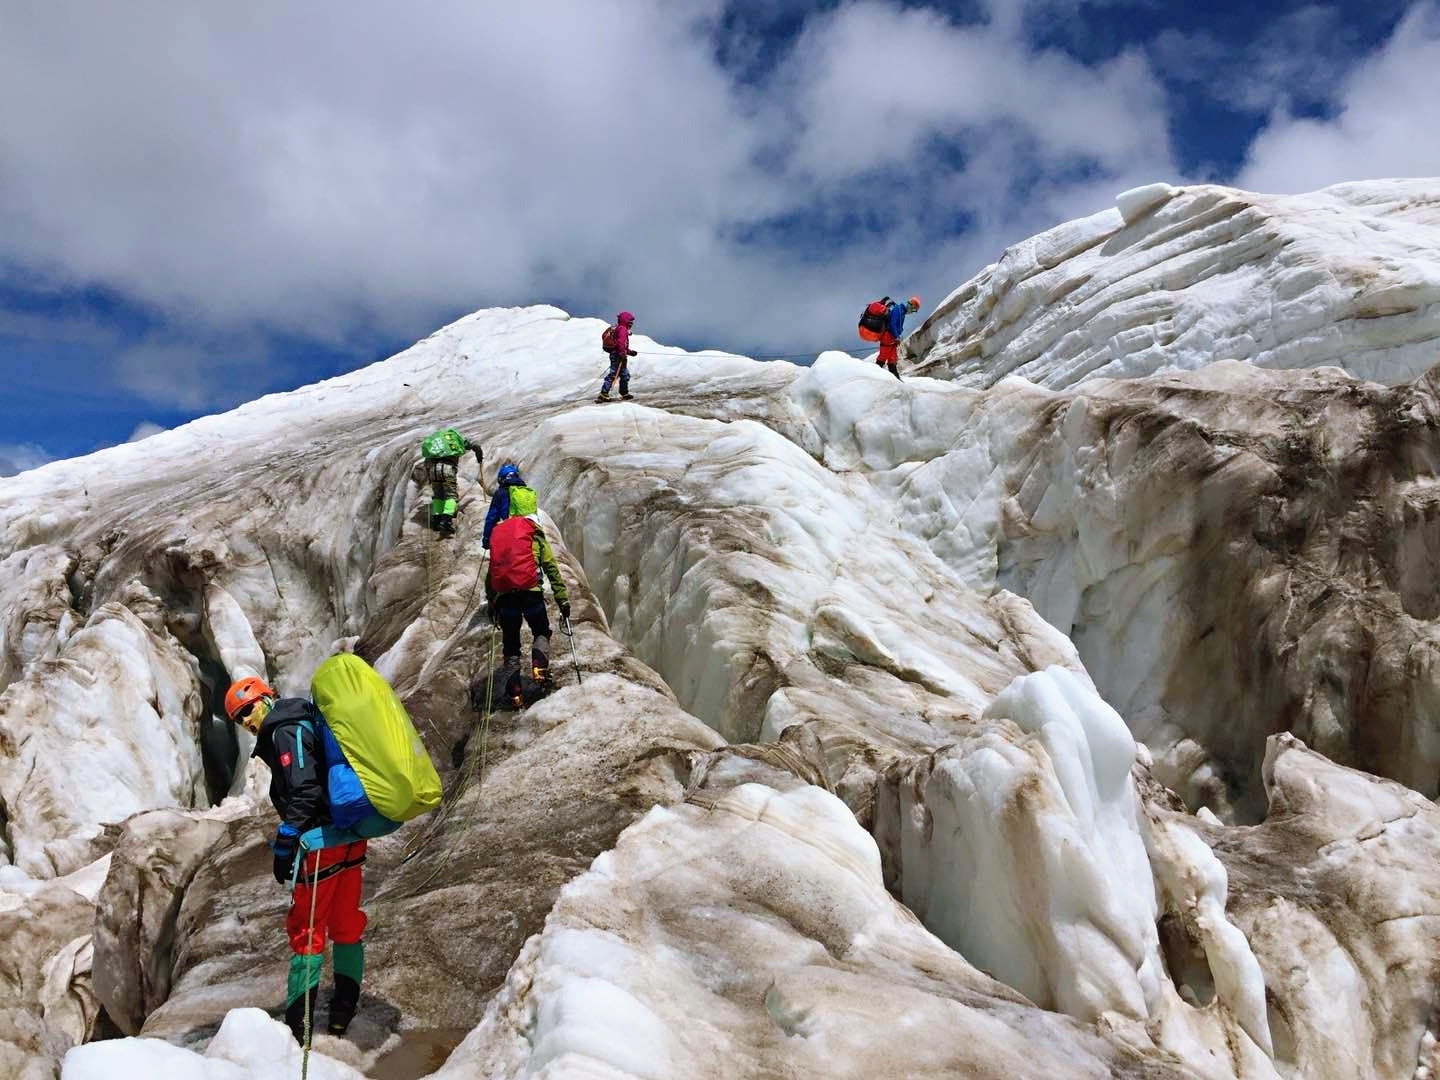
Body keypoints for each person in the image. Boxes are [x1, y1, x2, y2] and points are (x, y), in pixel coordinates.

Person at [223, 675, 367, 1044]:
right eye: (239, 718)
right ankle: (343, 1009)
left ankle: (297, 1030)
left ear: (265, 698)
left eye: (248, 709)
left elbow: (304, 788)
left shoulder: (285, 729)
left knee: (306, 932)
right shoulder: (301, 719)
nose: (246, 721)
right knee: (346, 921)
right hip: (349, 837)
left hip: (320, 845)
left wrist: (288, 838)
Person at [484, 514, 570, 708]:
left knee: (511, 645)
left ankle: (515, 693)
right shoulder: (535, 537)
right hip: (531, 594)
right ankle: (539, 668)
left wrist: (492, 601)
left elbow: (491, 574)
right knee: (540, 631)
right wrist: (562, 599)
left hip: (506, 599)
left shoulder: (502, 540)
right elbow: (551, 567)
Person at [421, 428, 482, 538]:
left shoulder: (434, 447)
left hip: (432, 470)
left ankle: (436, 520)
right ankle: (446, 520)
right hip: (447, 469)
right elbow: (475, 445)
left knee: (438, 494)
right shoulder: (453, 443)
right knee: (451, 495)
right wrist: (479, 456)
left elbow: (426, 460)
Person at [482, 462, 539, 549]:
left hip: (511, 531)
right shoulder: (527, 491)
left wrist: (486, 539)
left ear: (501, 479)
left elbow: (492, 517)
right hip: (530, 532)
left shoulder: (501, 492)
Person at [597, 311, 638, 402]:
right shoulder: (622, 329)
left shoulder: (620, 328)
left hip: (618, 354)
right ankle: (604, 393)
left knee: (624, 374)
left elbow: (621, 345)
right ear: (625, 321)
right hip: (618, 356)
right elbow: (620, 343)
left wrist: (630, 352)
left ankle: (624, 393)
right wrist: (622, 353)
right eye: (630, 322)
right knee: (614, 374)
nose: (631, 324)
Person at [878, 296, 920, 378]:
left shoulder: (902, 312)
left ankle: (896, 380)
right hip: (888, 337)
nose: (912, 312)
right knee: (882, 358)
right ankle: (872, 375)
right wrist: (897, 337)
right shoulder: (898, 309)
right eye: (913, 310)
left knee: (892, 360)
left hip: (892, 339)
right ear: (911, 305)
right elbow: (892, 324)